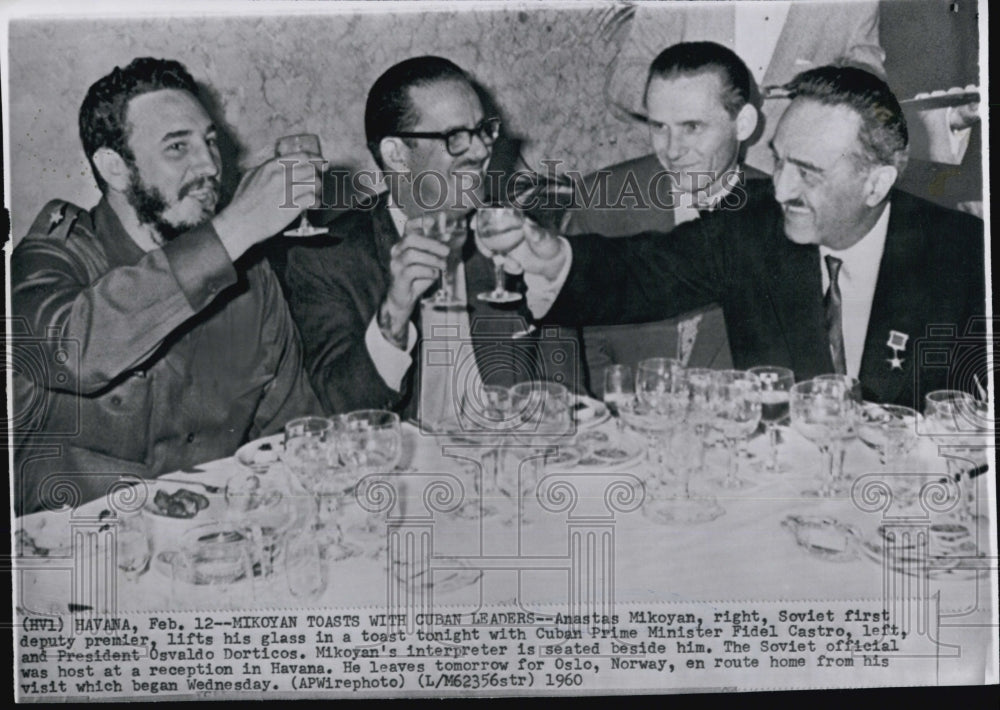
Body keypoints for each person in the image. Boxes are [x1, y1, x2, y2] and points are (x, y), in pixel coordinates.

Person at [486, 65, 985, 411]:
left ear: (875, 183)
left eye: (807, 173)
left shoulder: (966, 257)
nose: (781, 188)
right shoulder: (753, 225)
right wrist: (550, 256)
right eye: (780, 160)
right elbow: (645, 269)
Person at [11, 57, 323, 515]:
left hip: (216, 548)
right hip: (79, 559)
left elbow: (294, 430)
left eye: (210, 142)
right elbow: (73, 351)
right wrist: (236, 227)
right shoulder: (52, 259)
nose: (210, 165)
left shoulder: (252, 280)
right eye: (178, 147)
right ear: (115, 168)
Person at [283, 56, 580, 419]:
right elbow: (342, 408)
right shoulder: (325, 258)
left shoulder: (511, 231)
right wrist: (395, 307)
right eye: (455, 137)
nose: (482, 150)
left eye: (483, 130)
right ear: (397, 154)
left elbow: (564, 383)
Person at [563, 42, 765, 392]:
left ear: (743, 123)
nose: (672, 150)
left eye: (692, 127)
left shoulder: (781, 212)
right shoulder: (603, 202)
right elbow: (571, 340)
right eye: (659, 127)